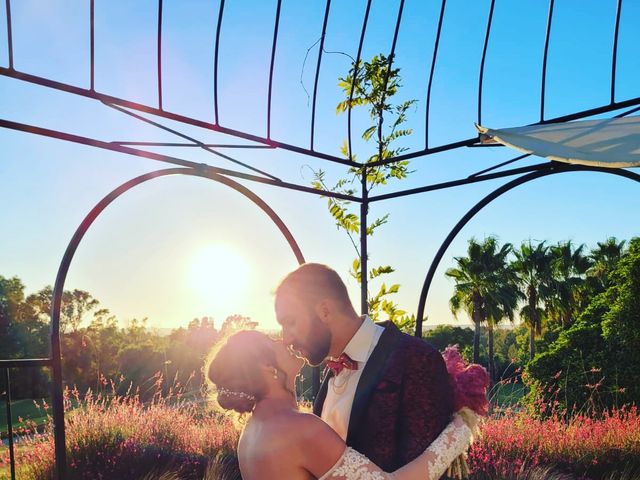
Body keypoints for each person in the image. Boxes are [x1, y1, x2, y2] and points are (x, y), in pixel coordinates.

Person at [206, 330, 476, 480]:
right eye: (271, 341)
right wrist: (458, 434)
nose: (283, 339)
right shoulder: (299, 429)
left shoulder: (252, 431)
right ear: (267, 368)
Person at [274, 263, 454, 472]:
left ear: (325, 311)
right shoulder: (332, 368)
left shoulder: (417, 359)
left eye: (290, 322)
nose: (285, 339)